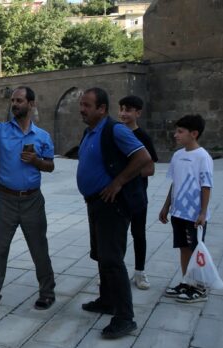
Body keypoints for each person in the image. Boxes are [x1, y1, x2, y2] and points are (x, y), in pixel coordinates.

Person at [76, 88, 151, 339]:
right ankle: (107, 300)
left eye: (87, 105)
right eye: (81, 105)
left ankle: (125, 317)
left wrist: (118, 182)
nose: (82, 109)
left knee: (112, 259)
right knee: (101, 255)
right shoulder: (90, 132)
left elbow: (143, 157)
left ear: (102, 109)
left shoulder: (115, 130)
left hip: (112, 205)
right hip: (95, 203)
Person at [0, 86, 56, 312]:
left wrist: (37, 161)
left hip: (32, 200)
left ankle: (47, 292)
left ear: (32, 104)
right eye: (13, 100)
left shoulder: (42, 136)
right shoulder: (1, 130)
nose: (15, 104)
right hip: (5, 200)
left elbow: (50, 166)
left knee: (39, 248)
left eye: (19, 100)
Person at [159, 114, 213, 303]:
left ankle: (199, 287)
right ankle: (186, 281)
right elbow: (174, 183)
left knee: (196, 249)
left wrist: (203, 212)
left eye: (180, 132)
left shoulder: (202, 157)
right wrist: (166, 206)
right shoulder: (177, 155)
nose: (176, 135)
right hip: (178, 213)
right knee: (183, 248)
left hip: (194, 215)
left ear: (194, 134)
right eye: (177, 131)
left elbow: (206, 186)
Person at [118, 95, 158, 290]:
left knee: (138, 233)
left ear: (138, 113)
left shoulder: (143, 137)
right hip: (116, 195)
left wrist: (125, 175)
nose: (124, 113)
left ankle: (140, 273)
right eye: (122, 109)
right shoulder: (114, 133)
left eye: (129, 110)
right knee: (116, 235)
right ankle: (113, 272)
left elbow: (150, 169)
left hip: (137, 195)